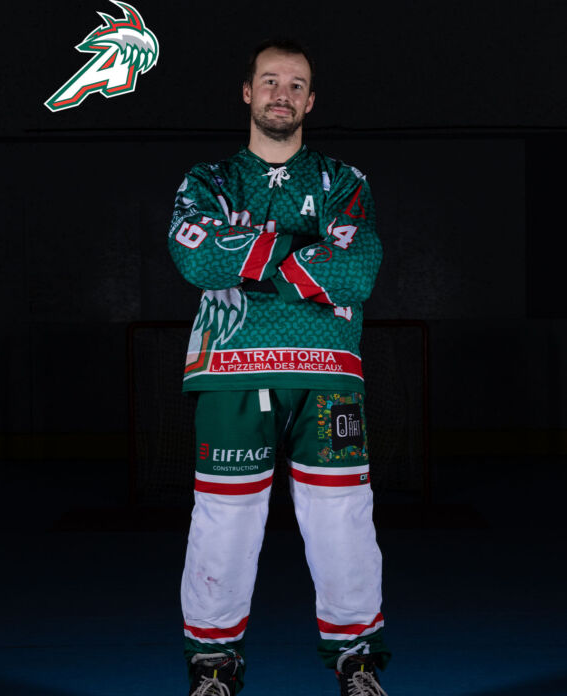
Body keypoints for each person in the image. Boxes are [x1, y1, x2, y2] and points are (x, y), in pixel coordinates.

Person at [168, 38, 391, 696]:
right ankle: (213, 665)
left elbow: (358, 267)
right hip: (230, 372)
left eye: (296, 85)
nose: (281, 94)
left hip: (331, 374)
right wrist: (306, 255)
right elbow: (197, 257)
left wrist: (250, 258)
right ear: (248, 92)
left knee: (343, 518)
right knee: (224, 521)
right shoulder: (207, 181)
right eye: (270, 81)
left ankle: (357, 661)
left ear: (311, 101)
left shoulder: (345, 181)